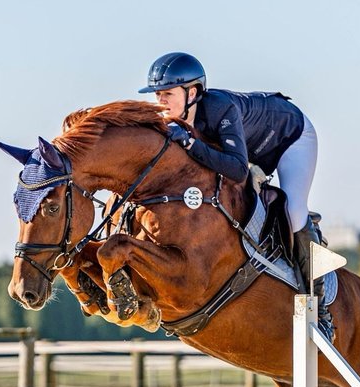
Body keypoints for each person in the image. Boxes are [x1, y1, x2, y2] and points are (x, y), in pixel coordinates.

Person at [138, 51, 330, 321]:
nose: (161, 101)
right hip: (251, 149)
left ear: (192, 93)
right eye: (157, 95)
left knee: (294, 210)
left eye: (168, 93)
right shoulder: (173, 120)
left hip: (290, 137)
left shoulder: (220, 109)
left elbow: (237, 170)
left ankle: (318, 306)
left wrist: (191, 144)